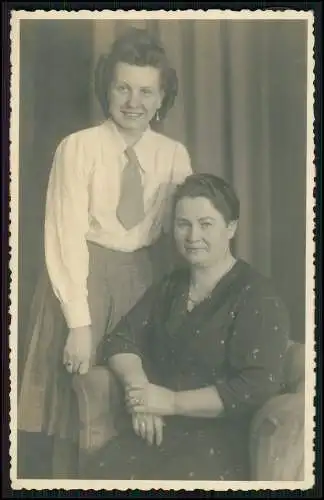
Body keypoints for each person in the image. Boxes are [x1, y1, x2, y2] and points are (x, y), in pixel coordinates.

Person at [17, 27, 192, 478]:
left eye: (146, 91)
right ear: (107, 89)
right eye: (123, 88)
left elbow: (181, 238)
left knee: (135, 407)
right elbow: (64, 233)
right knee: (77, 413)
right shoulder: (78, 148)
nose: (134, 101)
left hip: (144, 283)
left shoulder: (173, 155)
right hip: (81, 280)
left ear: (161, 97)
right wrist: (79, 323)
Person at [83, 173, 291, 481]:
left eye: (206, 224)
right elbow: (120, 341)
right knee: (104, 471)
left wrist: (171, 402)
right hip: (156, 431)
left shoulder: (257, 296)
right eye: (183, 224)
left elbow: (256, 387)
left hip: (219, 442)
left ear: (231, 228)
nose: (193, 236)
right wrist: (140, 393)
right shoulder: (170, 286)